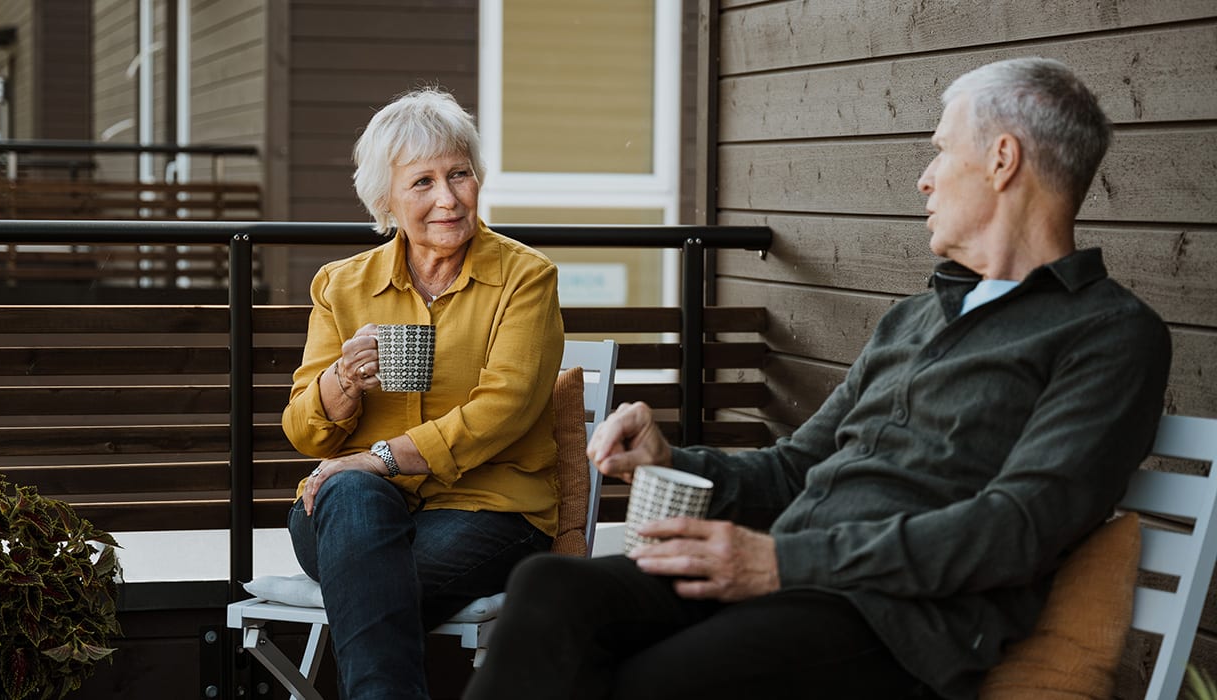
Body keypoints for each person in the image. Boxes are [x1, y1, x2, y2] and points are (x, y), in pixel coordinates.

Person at [462, 57, 1172, 700]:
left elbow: (1013, 528)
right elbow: (796, 468)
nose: (925, 178)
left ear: (1002, 160)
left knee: (649, 679)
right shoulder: (913, 320)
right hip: (786, 574)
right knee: (550, 587)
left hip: (897, 624)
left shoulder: (1107, 335)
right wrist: (671, 459)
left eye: (940, 152)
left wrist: (782, 562)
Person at [283, 87, 564, 699]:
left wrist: (379, 456)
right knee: (352, 494)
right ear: (385, 198)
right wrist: (343, 384)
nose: (447, 198)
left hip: (490, 510)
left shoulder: (525, 278)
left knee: (365, 575)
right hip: (351, 513)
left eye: (459, 174)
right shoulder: (340, 284)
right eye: (422, 182)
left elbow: (504, 410)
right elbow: (304, 429)